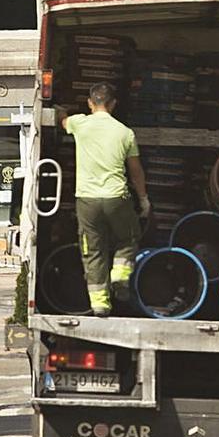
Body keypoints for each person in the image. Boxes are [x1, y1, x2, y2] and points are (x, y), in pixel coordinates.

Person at [60, 82, 150, 316]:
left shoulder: (80, 123)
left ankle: (99, 303)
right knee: (128, 238)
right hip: (116, 198)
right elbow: (136, 170)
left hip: (87, 200)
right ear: (113, 104)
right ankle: (120, 277)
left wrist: (60, 110)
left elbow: (63, 121)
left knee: (94, 250)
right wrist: (143, 199)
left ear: (90, 103)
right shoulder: (125, 132)